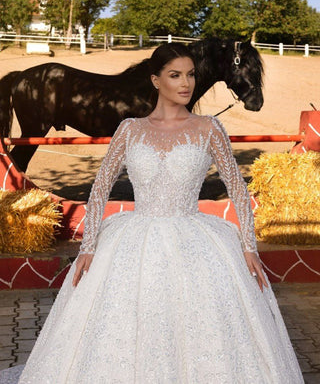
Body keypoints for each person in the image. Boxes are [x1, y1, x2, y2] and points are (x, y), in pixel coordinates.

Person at [0, 43, 303, 383]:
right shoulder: (130, 128)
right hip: (133, 239)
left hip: (195, 240)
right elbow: (100, 189)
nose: (186, 83)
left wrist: (248, 247)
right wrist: (87, 248)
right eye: (175, 75)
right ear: (156, 81)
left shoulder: (208, 128)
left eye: (190, 74)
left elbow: (237, 189)